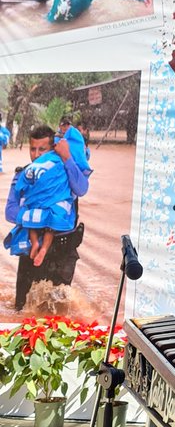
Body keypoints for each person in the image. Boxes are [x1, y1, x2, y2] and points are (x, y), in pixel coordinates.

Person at [4, 124, 91, 311]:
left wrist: (67, 157)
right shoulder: (25, 174)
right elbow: (10, 211)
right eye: (32, 149)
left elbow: (82, 189)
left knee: (59, 311)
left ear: (53, 149)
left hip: (62, 252)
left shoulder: (65, 170)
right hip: (30, 253)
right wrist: (41, 217)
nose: (36, 155)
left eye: (41, 149)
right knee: (22, 308)